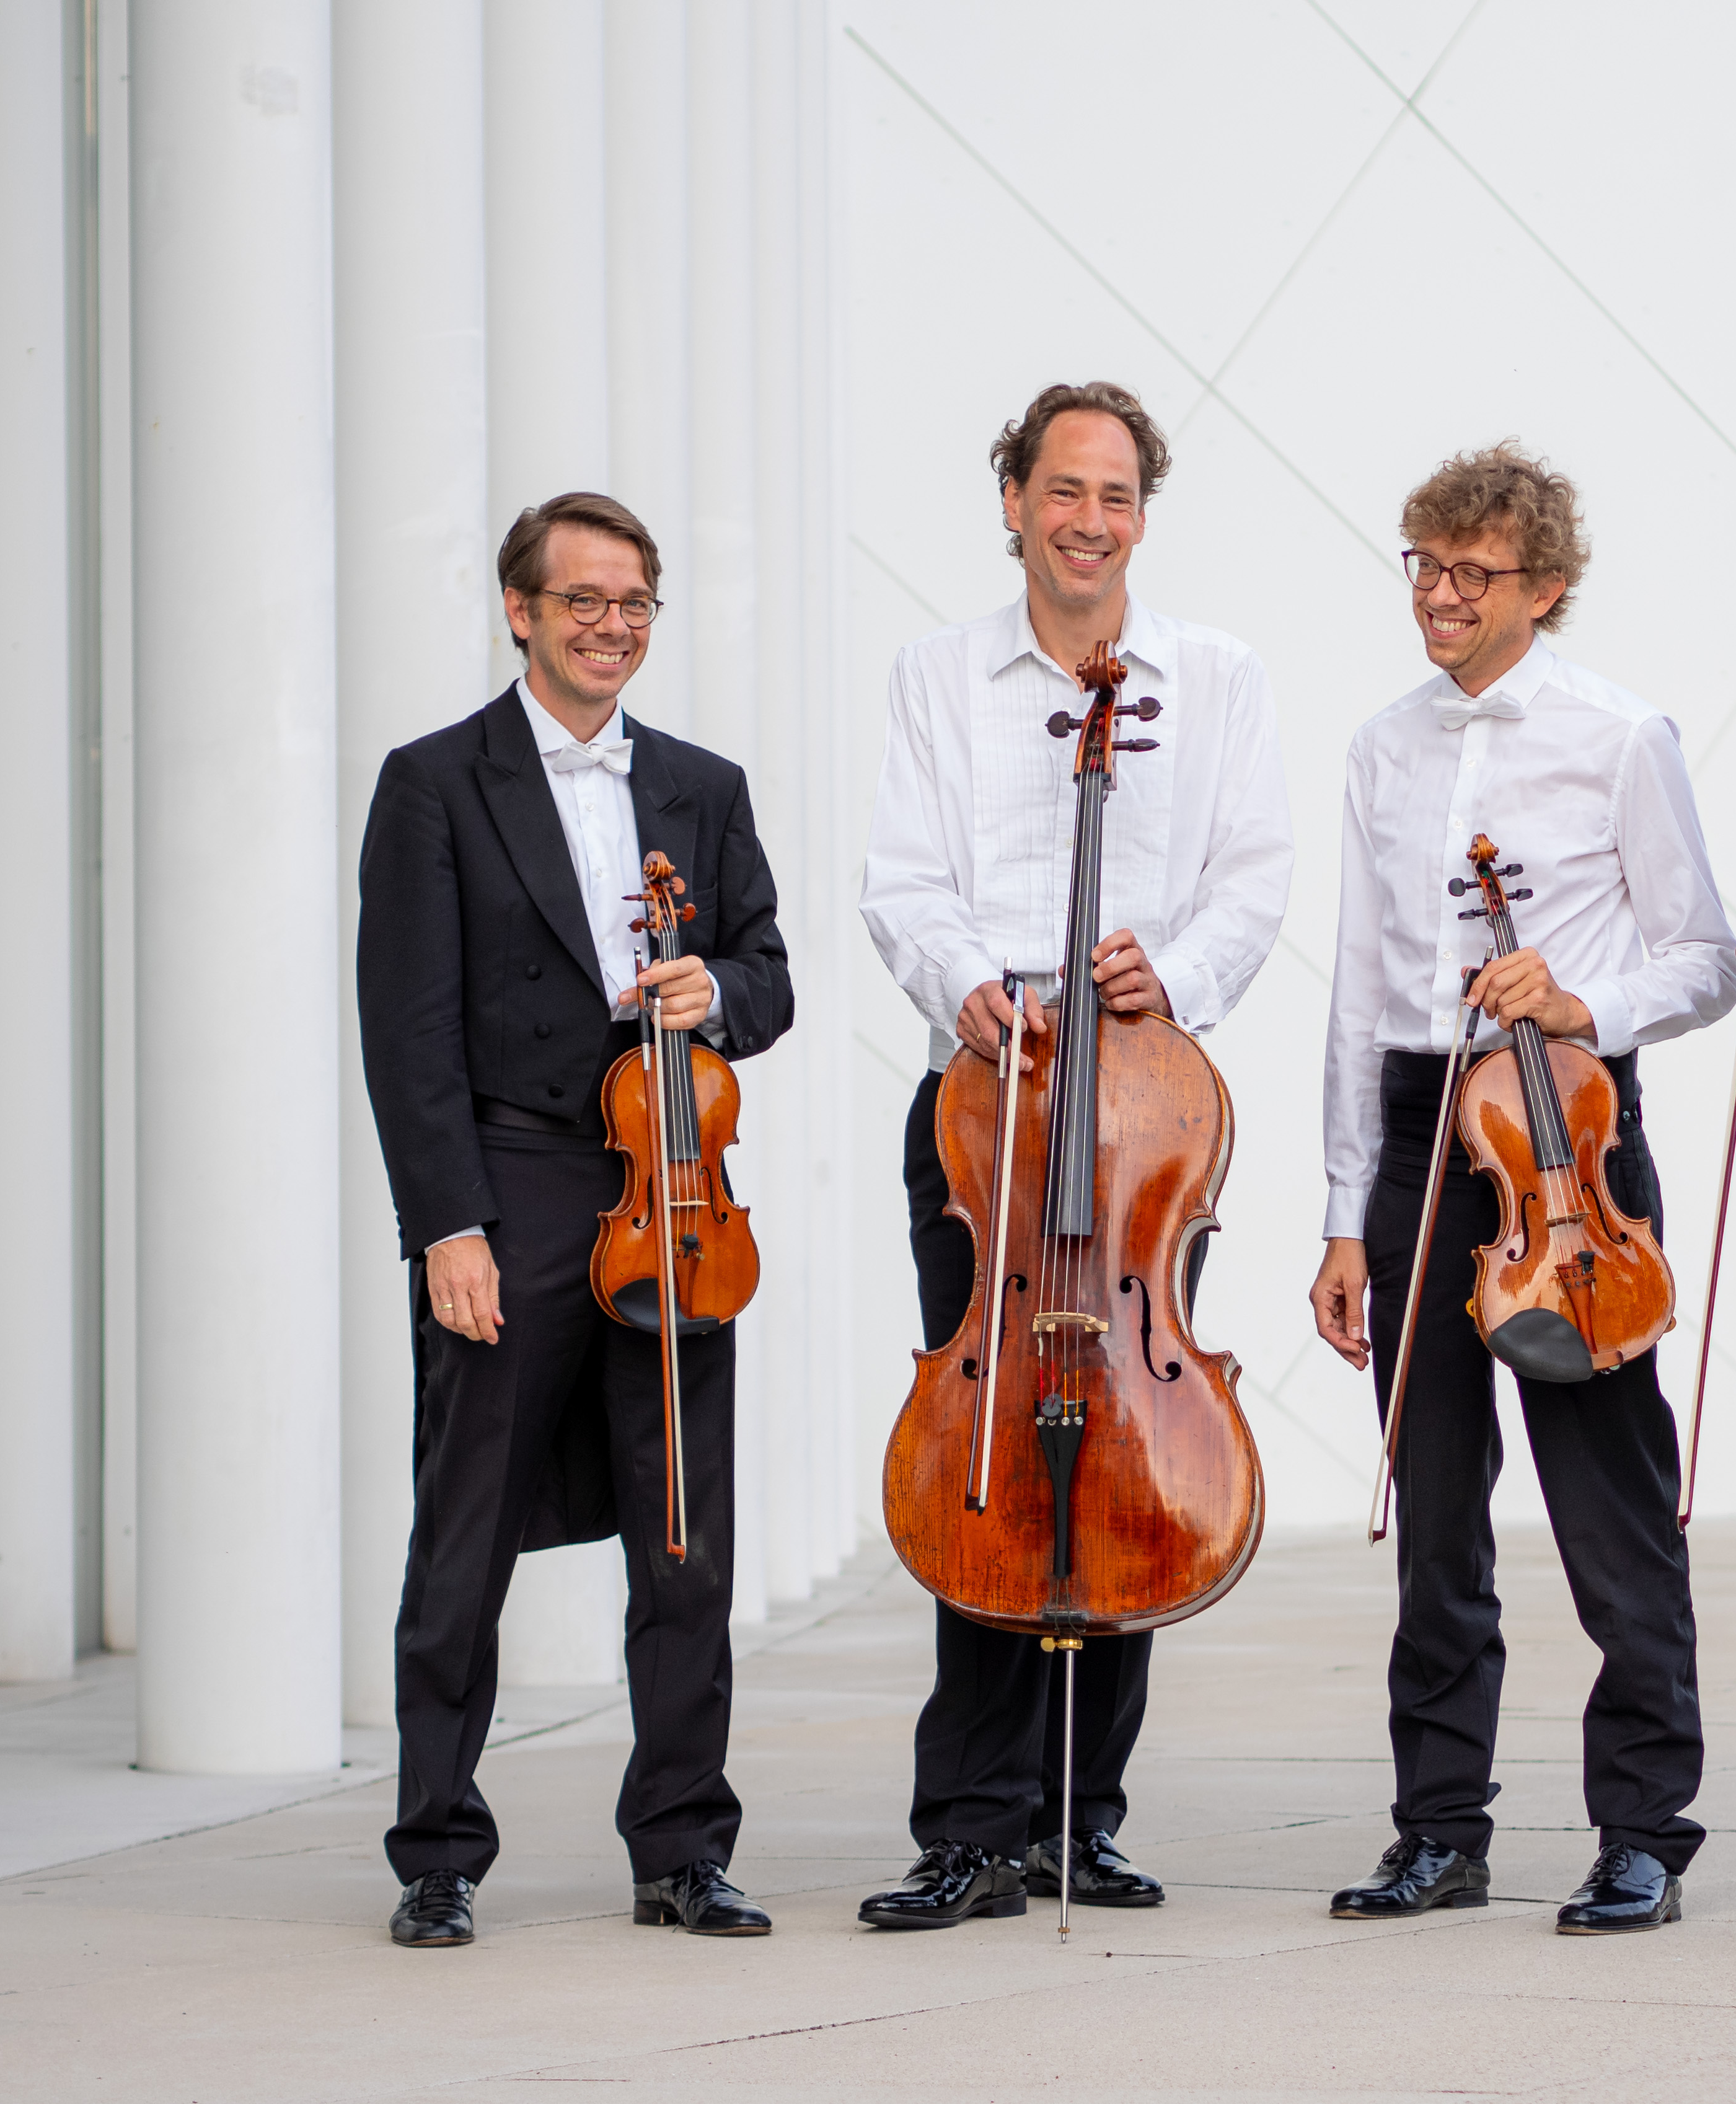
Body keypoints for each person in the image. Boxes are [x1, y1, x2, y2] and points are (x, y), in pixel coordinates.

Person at [856, 381, 1292, 1929]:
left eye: (1115, 495)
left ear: (1140, 515)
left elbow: (1251, 876)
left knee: (1124, 1444)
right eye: (1063, 490)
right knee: (989, 1454)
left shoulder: (1215, 677)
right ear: (1014, 500)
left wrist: (1172, 977)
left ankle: (1080, 1816)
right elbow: (902, 877)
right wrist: (960, 979)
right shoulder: (936, 673)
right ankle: (969, 1822)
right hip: (984, 1109)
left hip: (1135, 1126)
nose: (1088, 519)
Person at [1308, 444, 1736, 1934]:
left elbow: (1700, 960)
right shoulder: (1381, 746)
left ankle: (1642, 1827)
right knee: (1434, 1505)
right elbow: (1362, 987)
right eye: (1421, 565)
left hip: (1568, 1130)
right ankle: (1439, 1827)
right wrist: (1339, 1212)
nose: (1436, 593)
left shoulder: (1622, 736)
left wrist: (1577, 995)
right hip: (1424, 1124)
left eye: (1469, 573)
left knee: (1610, 1497)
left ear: (1543, 588)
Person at [358, 492, 793, 1948]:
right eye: (585, 600)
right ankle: (437, 1849)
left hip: (673, 1182)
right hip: (514, 1178)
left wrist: (714, 991)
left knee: (684, 1535)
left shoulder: (703, 787)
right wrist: (447, 1228)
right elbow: (407, 1033)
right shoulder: (435, 783)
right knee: (464, 1529)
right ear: (521, 611)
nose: (614, 626)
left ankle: (681, 1845)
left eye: (636, 602)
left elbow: (768, 975)